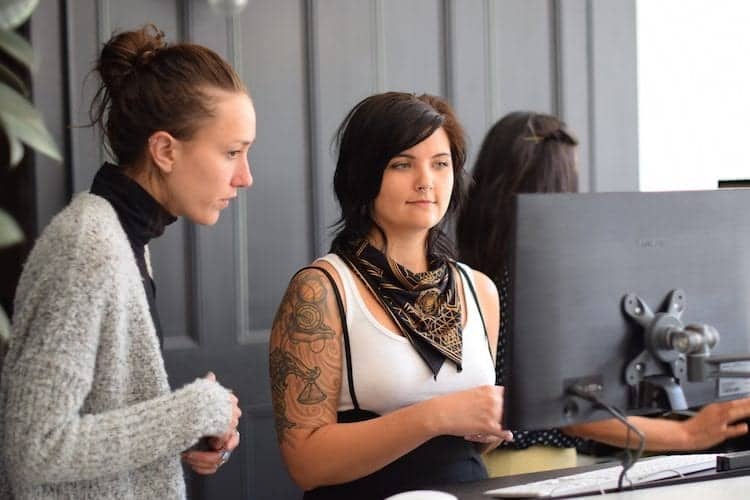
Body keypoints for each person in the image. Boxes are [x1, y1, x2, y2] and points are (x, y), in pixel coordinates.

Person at [0, 25, 253, 498]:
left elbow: (94, 425)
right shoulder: (87, 246)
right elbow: (35, 448)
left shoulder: (121, 238)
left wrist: (181, 438)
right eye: (232, 152)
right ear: (164, 150)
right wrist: (192, 412)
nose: (245, 177)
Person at [456, 111, 750, 474]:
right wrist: (688, 435)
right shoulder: (539, 274)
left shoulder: (472, 265)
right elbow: (568, 410)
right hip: (536, 466)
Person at [269, 92, 512, 499]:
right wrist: (436, 415)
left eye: (440, 164)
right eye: (402, 164)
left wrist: (488, 422)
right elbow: (305, 464)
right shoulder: (321, 290)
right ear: (362, 174)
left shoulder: (479, 290)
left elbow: (471, 445)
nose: (426, 181)